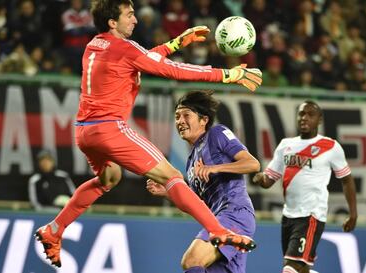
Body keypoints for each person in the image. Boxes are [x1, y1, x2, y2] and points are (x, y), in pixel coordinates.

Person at [34, 0, 263, 268]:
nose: (135, 20)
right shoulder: (125, 48)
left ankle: (55, 229)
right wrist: (227, 74)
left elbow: (139, 60)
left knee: (109, 178)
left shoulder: (94, 45)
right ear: (112, 22)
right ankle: (218, 231)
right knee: (172, 176)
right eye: (129, 15)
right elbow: (171, 69)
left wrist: (175, 44)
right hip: (110, 128)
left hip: (85, 132)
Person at [147, 90, 260, 273]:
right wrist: (168, 194)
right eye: (177, 116)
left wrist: (215, 168)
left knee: (192, 261)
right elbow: (196, 205)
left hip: (234, 213)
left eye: (186, 115)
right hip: (216, 220)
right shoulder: (191, 161)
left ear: (204, 120)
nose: (180, 121)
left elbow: (253, 164)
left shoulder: (217, 133)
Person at [252, 100, 357, 273]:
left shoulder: (330, 146)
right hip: (288, 216)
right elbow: (269, 179)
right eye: (301, 114)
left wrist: (353, 213)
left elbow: (346, 179)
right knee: (301, 267)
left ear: (319, 119)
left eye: (310, 114)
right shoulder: (286, 145)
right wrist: (259, 177)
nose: (304, 118)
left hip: (311, 215)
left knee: (290, 267)